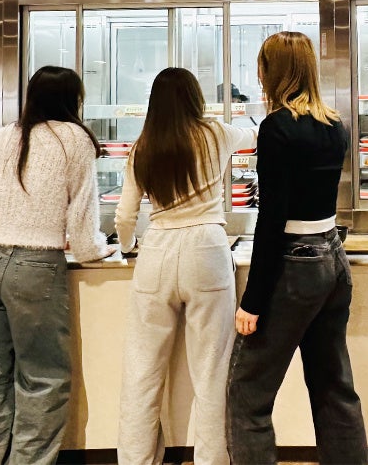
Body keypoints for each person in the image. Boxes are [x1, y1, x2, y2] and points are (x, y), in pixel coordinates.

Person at [0, 66, 112, 465]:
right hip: (36, 269)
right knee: (43, 380)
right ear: (74, 100)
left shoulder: (0, 137)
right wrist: (96, 249)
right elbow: (82, 220)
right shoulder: (74, 138)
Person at [226, 32, 368, 465]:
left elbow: (273, 218)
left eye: (261, 66)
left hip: (294, 262)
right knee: (334, 388)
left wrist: (252, 300)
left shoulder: (276, 128)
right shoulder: (334, 125)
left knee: (247, 393)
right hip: (332, 257)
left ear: (272, 72)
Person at [116, 67, 257, 465]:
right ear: (195, 99)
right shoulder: (215, 133)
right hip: (207, 249)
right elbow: (255, 135)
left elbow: (125, 216)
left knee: (142, 370)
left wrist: (128, 247)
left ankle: (135, 459)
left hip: (157, 250)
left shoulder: (142, 148)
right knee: (212, 371)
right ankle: (213, 460)